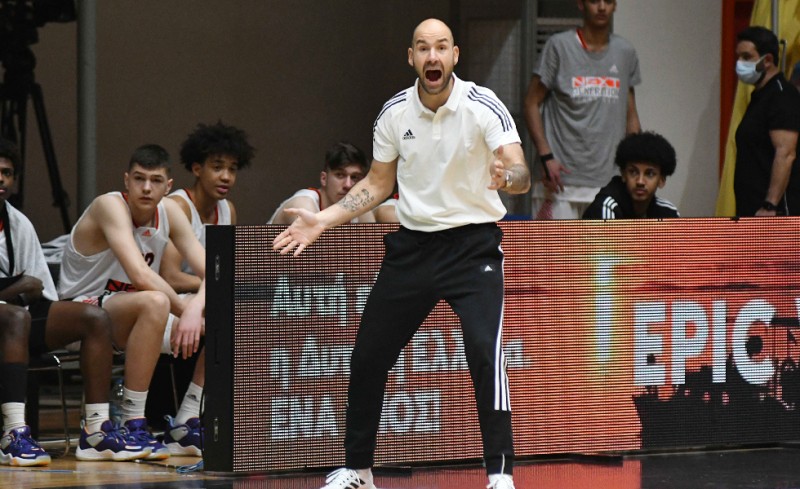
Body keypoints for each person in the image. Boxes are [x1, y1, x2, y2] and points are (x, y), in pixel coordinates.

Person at [273, 18, 529, 489]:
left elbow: (520, 171)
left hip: (472, 247)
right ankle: (358, 471)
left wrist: (507, 177)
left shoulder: (483, 105)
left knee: (483, 352)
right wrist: (323, 220)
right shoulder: (394, 113)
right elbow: (376, 183)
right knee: (368, 355)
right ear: (412, 58)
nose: (433, 56)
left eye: (441, 47)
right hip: (413, 248)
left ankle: (499, 476)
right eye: (423, 48)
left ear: (454, 56)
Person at [0, 139, 150, 465]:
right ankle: (12, 433)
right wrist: (15, 288)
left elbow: (38, 288)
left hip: (16, 322)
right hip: (11, 319)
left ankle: (95, 431)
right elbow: (24, 286)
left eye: (7, 172)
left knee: (94, 318)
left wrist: (16, 290)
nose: (1, 178)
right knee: (15, 317)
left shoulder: (18, 223)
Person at [57, 144, 208, 460]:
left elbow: (214, 273)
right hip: (79, 314)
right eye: (139, 178)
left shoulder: (170, 212)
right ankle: (132, 422)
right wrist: (186, 310)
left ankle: (187, 422)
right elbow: (139, 274)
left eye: (155, 180)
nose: (146, 187)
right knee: (154, 301)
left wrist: (196, 308)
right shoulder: (109, 205)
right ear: (126, 180)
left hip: (132, 314)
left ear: (168, 186)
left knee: (228, 317)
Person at [157, 121, 254, 454]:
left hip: (200, 301)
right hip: (164, 302)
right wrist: (214, 285)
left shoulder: (228, 210)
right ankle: (186, 418)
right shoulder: (178, 206)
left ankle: (215, 415)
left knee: (248, 314)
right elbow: (170, 275)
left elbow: (222, 273)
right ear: (197, 168)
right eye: (217, 167)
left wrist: (213, 288)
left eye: (232, 169)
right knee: (225, 314)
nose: (226, 176)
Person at [524, 0, 641, 219]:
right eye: (595, 1)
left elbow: (631, 113)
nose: (602, 7)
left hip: (608, 180)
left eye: (608, 1)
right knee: (554, 244)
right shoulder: (559, 46)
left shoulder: (625, 52)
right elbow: (531, 102)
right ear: (581, 4)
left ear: (615, 5)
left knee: (606, 244)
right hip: (560, 182)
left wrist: (635, 165)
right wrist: (546, 156)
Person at [733, 26, 800, 216]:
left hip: (774, 214)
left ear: (768, 60)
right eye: (739, 57)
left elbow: (785, 153)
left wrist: (770, 204)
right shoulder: (760, 96)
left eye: (747, 57)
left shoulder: (782, 95)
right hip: (751, 210)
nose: (740, 63)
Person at [267, 141, 375, 224]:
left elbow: (374, 245)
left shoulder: (360, 209)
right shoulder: (304, 203)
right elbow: (316, 246)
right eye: (340, 175)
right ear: (324, 179)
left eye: (354, 177)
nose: (348, 185)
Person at [582, 131, 679, 219]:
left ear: (662, 180)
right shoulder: (606, 208)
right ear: (623, 175)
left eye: (649, 174)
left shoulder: (668, 211)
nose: (640, 181)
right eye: (633, 172)